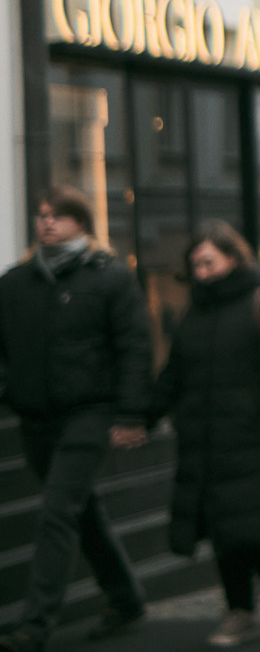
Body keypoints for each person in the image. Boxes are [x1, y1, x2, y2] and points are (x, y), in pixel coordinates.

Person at [0, 187, 151, 650]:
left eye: (59, 216)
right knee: (80, 510)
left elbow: (133, 346)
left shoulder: (108, 278)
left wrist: (130, 413)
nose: (47, 222)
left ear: (81, 224)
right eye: (42, 215)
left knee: (57, 511)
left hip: (91, 411)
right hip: (36, 416)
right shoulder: (15, 282)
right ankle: (125, 598)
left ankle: (35, 625)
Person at [150, 221, 260, 647]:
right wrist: (139, 416)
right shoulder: (193, 315)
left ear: (232, 259)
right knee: (222, 531)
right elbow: (174, 375)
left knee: (255, 525)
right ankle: (238, 611)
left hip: (251, 437)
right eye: (195, 264)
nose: (201, 272)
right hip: (204, 442)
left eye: (209, 262)